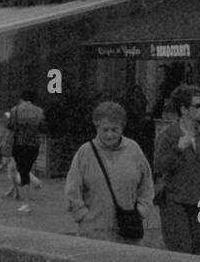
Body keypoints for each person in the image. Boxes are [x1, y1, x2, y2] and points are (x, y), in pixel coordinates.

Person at [153, 85, 200, 255]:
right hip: (175, 201)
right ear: (184, 109)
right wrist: (178, 149)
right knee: (181, 250)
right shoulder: (168, 135)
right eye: (198, 106)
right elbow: (159, 166)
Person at [64, 101, 154, 244]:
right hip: (93, 233)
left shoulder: (134, 150)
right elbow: (72, 189)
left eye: (114, 129)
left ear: (122, 128)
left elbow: (146, 185)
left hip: (128, 233)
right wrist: (82, 215)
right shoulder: (85, 153)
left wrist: (142, 209)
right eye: (105, 130)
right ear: (97, 127)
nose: (110, 135)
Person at [6, 90, 45, 214]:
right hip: (34, 145)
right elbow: (43, 128)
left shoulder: (15, 110)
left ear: (22, 98)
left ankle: (26, 202)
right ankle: (26, 198)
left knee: (23, 171)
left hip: (19, 144)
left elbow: (10, 127)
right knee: (26, 170)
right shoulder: (39, 112)